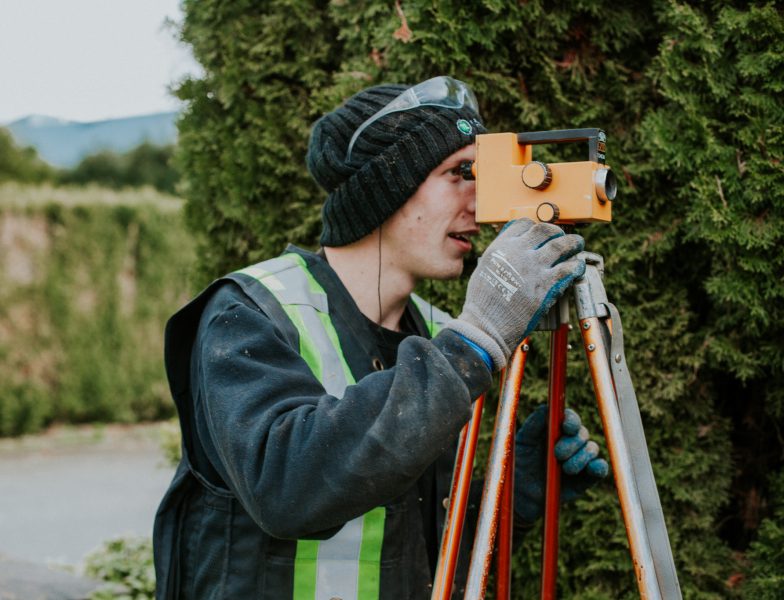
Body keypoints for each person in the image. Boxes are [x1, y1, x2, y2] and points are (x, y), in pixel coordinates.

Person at [154, 76, 608, 599]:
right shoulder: (252, 310)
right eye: (461, 173)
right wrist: (474, 342)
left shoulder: (439, 336)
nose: (483, 206)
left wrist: (516, 498)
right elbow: (285, 488)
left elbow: (414, 552)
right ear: (387, 184)